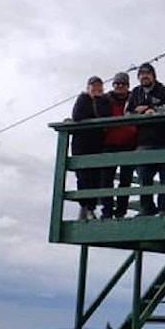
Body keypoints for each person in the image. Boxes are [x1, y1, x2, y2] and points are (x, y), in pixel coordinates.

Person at [126, 62, 165, 216]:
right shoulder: (135, 93)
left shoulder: (163, 90)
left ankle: (163, 209)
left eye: (147, 73)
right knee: (144, 179)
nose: (144, 76)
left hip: (164, 142)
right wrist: (142, 113)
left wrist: (151, 109)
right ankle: (146, 209)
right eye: (141, 74)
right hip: (143, 143)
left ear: (154, 76)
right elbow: (128, 113)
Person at [70, 76, 111, 221]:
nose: (96, 89)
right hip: (81, 145)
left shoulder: (105, 101)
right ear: (88, 87)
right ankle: (84, 207)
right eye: (93, 86)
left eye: (99, 86)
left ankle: (91, 208)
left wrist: (99, 101)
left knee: (95, 178)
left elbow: (105, 116)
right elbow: (77, 116)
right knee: (82, 177)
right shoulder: (82, 99)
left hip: (97, 144)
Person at [100, 72, 137, 219]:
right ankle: (107, 211)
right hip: (109, 143)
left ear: (127, 85)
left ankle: (121, 211)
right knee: (106, 179)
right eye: (117, 84)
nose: (119, 86)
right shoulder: (106, 100)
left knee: (125, 180)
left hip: (130, 143)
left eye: (122, 84)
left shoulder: (134, 98)